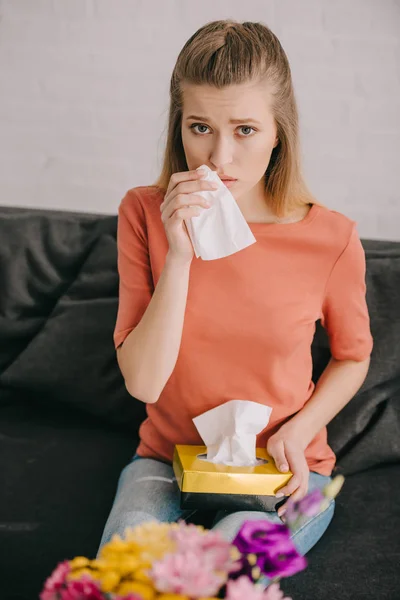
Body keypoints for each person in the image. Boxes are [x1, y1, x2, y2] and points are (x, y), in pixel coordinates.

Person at [97, 19, 373, 559]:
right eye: (200, 127)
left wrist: (300, 430)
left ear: (278, 130)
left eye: (245, 130)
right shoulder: (143, 214)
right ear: (180, 125)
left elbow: (353, 357)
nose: (218, 159)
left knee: (228, 564)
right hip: (166, 459)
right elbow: (145, 384)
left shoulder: (331, 238)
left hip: (282, 470)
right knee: (128, 570)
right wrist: (179, 255)